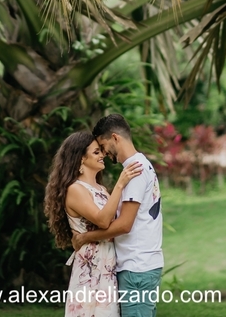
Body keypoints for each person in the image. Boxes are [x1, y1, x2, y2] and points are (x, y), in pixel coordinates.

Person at [72, 114, 163, 317]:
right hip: (141, 266)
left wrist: (86, 237)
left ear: (115, 138)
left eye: (103, 146)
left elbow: (124, 225)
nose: (103, 153)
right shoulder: (140, 165)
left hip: (136, 268)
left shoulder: (135, 170)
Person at [45, 131, 143, 317]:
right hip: (91, 270)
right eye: (96, 152)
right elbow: (103, 221)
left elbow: (116, 224)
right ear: (81, 158)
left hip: (107, 265)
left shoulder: (101, 190)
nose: (103, 155)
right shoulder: (75, 189)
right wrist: (121, 184)